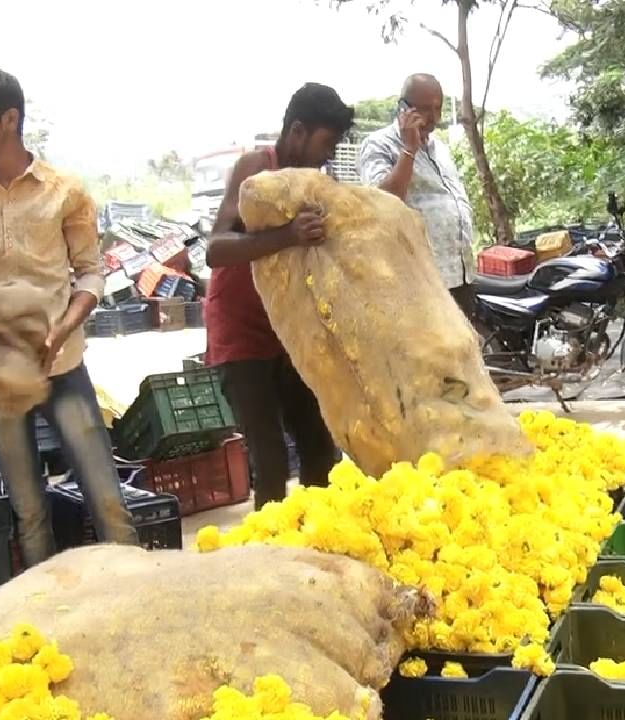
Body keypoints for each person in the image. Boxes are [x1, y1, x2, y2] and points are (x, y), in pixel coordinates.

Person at [0, 70, 136, 566]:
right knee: (28, 510)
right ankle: (43, 620)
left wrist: (62, 328)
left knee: (108, 499)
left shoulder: (65, 192)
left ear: (10, 119)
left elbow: (90, 275)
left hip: (62, 367)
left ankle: (134, 597)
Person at [204, 83, 353, 508]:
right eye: (326, 142)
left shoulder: (313, 184)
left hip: (289, 332)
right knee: (269, 464)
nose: (328, 154)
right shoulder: (255, 168)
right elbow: (216, 249)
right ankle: (270, 561)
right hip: (242, 334)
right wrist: (288, 235)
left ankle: (317, 548)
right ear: (298, 131)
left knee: (321, 452)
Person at [358, 74, 476, 314]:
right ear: (403, 108)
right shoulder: (378, 144)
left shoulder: (439, 147)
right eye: (424, 110)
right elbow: (381, 203)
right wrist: (408, 149)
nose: (434, 118)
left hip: (459, 276)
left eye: (438, 108)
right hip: (419, 283)